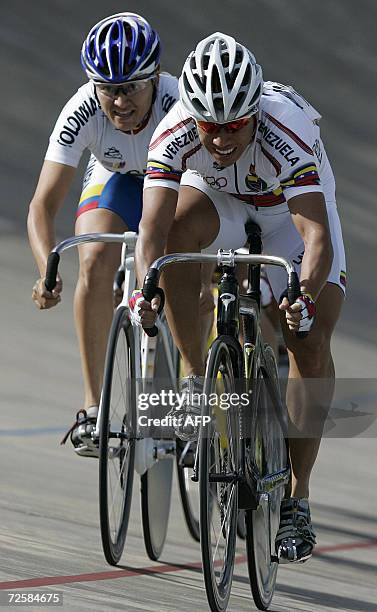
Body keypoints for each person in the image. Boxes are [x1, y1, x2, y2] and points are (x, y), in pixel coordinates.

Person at [133, 32, 346, 563]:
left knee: (310, 341)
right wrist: (147, 285)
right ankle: (197, 377)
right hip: (221, 205)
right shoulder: (175, 131)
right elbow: (151, 230)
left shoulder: (285, 131)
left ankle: (297, 499)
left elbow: (316, 239)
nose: (222, 138)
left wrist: (304, 296)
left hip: (288, 221)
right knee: (177, 241)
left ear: (254, 111)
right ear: (193, 116)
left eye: (234, 125)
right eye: (210, 126)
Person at [27, 12, 180, 457]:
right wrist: (46, 270)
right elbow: (41, 205)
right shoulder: (82, 109)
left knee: (182, 264)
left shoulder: (178, 103)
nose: (119, 101)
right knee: (93, 259)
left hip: (174, 180)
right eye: (109, 89)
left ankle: (193, 389)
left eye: (131, 87)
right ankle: (93, 410)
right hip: (114, 177)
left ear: (154, 78)